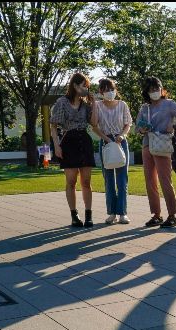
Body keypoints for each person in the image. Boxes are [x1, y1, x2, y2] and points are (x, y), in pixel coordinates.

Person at [135, 77, 176, 229]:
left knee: (165, 181)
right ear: (146, 92)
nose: (154, 91)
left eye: (156, 88)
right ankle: (156, 215)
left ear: (161, 89)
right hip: (147, 145)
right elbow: (137, 127)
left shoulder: (169, 104)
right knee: (150, 182)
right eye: (151, 89)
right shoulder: (144, 108)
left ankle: (172, 216)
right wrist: (142, 129)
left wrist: (175, 125)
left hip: (163, 145)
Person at [50, 72, 97, 228]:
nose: (86, 88)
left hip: (84, 140)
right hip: (69, 141)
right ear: (75, 85)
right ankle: (74, 215)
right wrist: (57, 146)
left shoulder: (86, 104)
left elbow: (94, 123)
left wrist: (94, 104)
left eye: (87, 86)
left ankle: (88, 214)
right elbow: (53, 125)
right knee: (71, 181)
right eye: (84, 85)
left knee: (86, 181)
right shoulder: (62, 102)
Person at [91, 78, 133, 225]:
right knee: (108, 179)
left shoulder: (122, 105)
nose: (110, 92)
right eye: (106, 90)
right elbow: (94, 125)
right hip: (105, 142)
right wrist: (106, 139)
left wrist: (122, 135)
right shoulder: (97, 105)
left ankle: (122, 213)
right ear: (101, 92)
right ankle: (112, 213)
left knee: (122, 179)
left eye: (112, 89)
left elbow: (128, 123)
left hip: (121, 142)